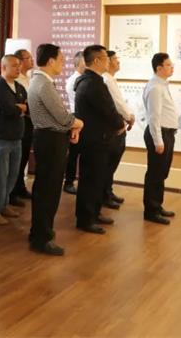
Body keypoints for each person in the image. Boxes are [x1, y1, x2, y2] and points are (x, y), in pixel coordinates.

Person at [27, 44, 83, 255]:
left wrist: (71, 126)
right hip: (50, 140)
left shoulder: (40, 81)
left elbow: (59, 117)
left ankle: (39, 232)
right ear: (50, 61)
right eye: (60, 60)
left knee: (45, 188)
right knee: (48, 191)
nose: (63, 63)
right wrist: (78, 123)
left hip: (49, 138)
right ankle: (42, 237)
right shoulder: (43, 84)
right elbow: (61, 116)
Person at [73, 46, 125, 234]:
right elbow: (107, 109)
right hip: (94, 140)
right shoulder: (92, 83)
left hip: (98, 138)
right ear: (96, 61)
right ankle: (86, 219)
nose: (109, 61)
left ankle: (94, 213)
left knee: (97, 179)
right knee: (90, 180)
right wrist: (119, 124)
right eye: (106, 58)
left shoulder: (93, 81)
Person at [0, 54, 27, 225]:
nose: (18, 68)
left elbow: (27, 106)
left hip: (16, 136)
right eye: (14, 65)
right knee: (0, 176)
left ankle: (4, 204)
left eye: (19, 65)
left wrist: (20, 108)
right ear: (3, 67)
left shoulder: (19, 87)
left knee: (12, 175)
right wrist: (19, 108)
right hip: (1, 136)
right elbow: (8, 109)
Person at [142, 52, 178, 225]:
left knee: (161, 172)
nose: (172, 68)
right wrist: (158, 141)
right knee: (155, 173)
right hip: (159, 134)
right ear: (159, 68)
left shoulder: (162, 85)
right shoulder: (155, 88)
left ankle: (157, 205)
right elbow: (154, 117)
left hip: (166, 133)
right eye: (169, 65)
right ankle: (151, 210)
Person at [102, 50, 135, 209]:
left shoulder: (111, 79)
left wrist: (127, 116)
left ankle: (108, 191)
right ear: (107, 61)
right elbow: (117, 103)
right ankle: (104, 194)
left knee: (112, 163)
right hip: (113, 128)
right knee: (109, 164)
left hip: (118, 126)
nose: (118, 61)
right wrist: (129, 116)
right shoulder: (106, 80)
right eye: (115, 59)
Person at [9, 48, 34, 205]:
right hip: (21, 121)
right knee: (17, 159)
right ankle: (12, 191)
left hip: (30, 121)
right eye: (29, 58)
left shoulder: (29, 78)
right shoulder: (16, 80)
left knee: (24, 156)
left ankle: (20, 187)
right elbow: (20, 104)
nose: (32, 60)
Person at [63, 51, 84, 195]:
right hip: (76, 116)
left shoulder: (83, 79)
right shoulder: (74, 80)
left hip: (83, 117)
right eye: (84, 61)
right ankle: (68, 182)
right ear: (77, 63)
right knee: (74, 153)